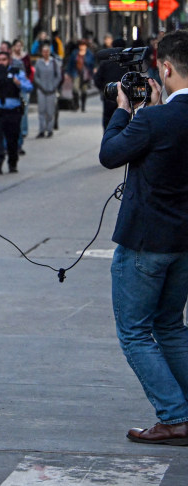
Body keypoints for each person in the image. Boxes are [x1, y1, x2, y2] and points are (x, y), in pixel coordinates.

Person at [98, 29, 188, 445]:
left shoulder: (153, 119)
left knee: (135, 332)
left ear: (165, 68)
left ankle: (173, 416)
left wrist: (123, 109)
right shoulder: (162, 117)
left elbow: (110, 154)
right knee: (170, 325)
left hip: (146, 242)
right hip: (183, 243)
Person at [0, 50, 32, 174]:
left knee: (12, 139)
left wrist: (19, 83)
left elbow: (29, 86)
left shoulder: (16, 72)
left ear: (8, 61)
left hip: (12, 112)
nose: (1, 62)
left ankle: (12, 163)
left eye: (3, 60)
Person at [94, 45, 129, 130]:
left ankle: (108, 136)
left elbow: (97, 78)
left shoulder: (105, 63)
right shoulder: (127, 64)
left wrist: (104, 89)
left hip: (109, 95)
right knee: (124, 116)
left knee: (108, 118)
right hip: (124, 95)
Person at [31, 42, 61, 138]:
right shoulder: (39, 63)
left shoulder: (54, 62)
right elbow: (36, 77)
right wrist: (41, 85)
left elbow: (58, 76)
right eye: (44, 51)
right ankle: (42, 130)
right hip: (41, 90)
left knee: (50, 111)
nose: (45, 53)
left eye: (47, 51)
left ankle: (49, 129)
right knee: (41, 111)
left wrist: (54, 86)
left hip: (51, 90)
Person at [64, 40, 95, 112]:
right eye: (81, 45)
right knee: (75, 89)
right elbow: (70, 63)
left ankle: (83, 106)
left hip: (85, 74)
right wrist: (68, 72)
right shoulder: (75, 53)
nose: (82, 47)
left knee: (84, 90)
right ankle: (76, 104)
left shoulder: (89, 54)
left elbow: (92, 63)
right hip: (76, 73)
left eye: (83, 45)